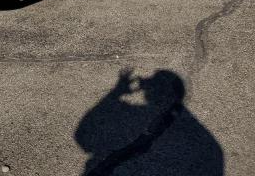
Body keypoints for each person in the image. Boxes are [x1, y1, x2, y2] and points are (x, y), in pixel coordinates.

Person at [75, 69, 223, 175]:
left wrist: (115, 93)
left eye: (151, 82)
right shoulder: (209, 144)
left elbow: (82, 134)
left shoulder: (143, 116)